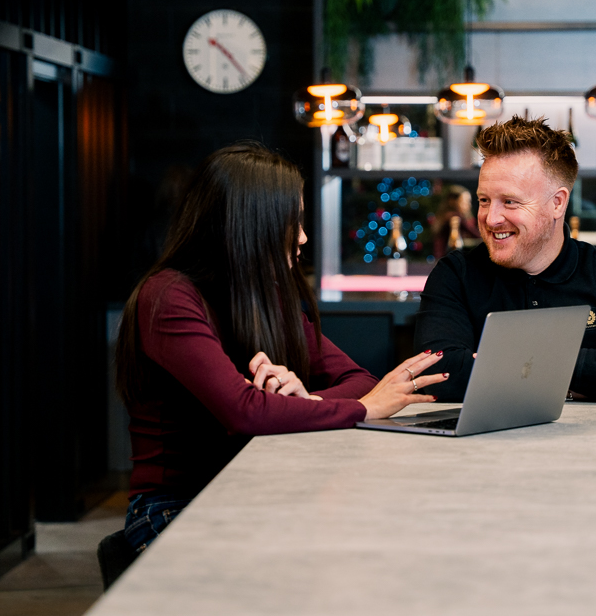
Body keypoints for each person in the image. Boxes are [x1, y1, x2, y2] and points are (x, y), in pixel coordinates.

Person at [115, 142, 446, 552]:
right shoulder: (168, 298)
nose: (303, 237)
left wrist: (306, 398)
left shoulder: (262, 296)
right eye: (292, 222)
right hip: (173, 506)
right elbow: (244, 413)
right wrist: (365, 409)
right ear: (250, 224)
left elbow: (358, 379)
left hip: (248, 493)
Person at [413, 117, 596, 404]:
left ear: (557, 203)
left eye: (510, 201)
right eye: (483, 200)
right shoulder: (455, 276)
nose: (491, 218)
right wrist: (595, 369)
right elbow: (437, 376)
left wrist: (494, 363)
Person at [432, 184, 480, 258]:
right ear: (454, 202)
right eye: (465, 202)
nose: (468, 205)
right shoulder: (454, 217)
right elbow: (475, 234)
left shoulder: (444, 217)